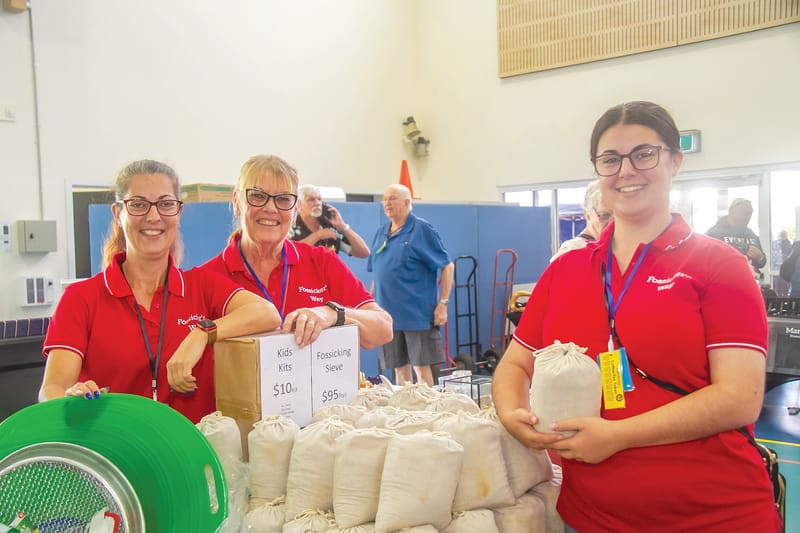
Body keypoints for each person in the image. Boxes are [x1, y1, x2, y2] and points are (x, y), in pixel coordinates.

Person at [492, 101, 781, 532]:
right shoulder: (567, 270)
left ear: (675, 161)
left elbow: (738, 397)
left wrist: (619, 436)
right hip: (591, 518)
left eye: (644, 154)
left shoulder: (719, 265)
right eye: (610, 159)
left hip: (714, 515)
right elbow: (515, 363)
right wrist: (512, 413)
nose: (626, 171)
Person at [39, 160, 281, 423]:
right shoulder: (81, 298)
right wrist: (71, 396)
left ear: (178, 212)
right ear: (118, 213)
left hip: (192, 453)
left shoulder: (202, 285)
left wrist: (201, 334)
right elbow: (52, 389)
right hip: (116, 452)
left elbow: (267, 313)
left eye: (165, 204)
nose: (153, 217)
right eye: (139, 204)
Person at [199, 154, 392, 350]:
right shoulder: (207, 278)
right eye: (257, 196)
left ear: (294, 211)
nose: (270, 208)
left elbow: (384, 329)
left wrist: (332, 313)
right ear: (237, 202)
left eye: (283, 199)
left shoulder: (321, 262)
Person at [367, 184, 454, 387]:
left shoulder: (421, 230)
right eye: (385, 198)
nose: (387, 203)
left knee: (422, 372)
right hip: (388, 317)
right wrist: (370, 304)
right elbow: (378, 273)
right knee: (399, 371)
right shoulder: (381, 232)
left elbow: (447, 266)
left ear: (407, 203)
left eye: (393, 198)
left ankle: (429, 414)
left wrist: (443, 303)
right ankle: (407, 413)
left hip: (417, 317)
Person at [289, 184, 370, 258]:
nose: (317, 203)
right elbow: (288, 252)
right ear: (299, 204)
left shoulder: (328, 227)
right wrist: (317, 236)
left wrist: (343, 227)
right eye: (311, 199)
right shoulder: (290, 226)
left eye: (319, 199)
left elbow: (364, 253)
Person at [706, 197, 767, 280]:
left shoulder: (751, 234)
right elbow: (704, 261)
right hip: (722, 283)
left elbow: (761, 263)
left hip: (748, 283)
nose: (747, 217)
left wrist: (760, 258)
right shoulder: (714, 233)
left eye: (750, 214)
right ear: (731, 212)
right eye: (743, 214)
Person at [550, 180, 612, 261]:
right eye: (605, 215)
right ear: (587, 214)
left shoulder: (607, 247)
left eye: (618, 216)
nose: (612, 222)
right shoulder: (572, 250)